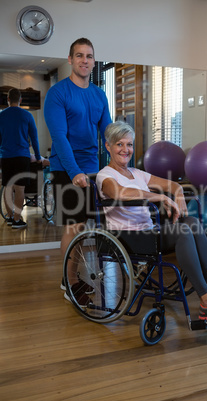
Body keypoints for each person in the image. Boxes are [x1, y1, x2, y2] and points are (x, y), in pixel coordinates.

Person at [96, 121, 207, 321]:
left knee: (190, 222)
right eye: (119, 144)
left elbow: (172, 185)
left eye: (129, 144)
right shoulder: (105, 175)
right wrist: (160, 197)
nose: (125, 149)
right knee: (182, 231)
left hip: (148, 232)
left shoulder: (137, 173)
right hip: (128, 237)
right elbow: (120, 192)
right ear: (108, 146)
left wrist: (178, 194)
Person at [44, 37, 112, 300]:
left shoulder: (98, 94)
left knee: (83, 229)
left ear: (94, 62)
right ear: (70, 59)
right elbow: (59, 138)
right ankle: (69, 282)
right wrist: (74, 173)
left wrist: (117, 166)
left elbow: (107, 134)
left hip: (92, 169)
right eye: (80, 55)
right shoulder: (58, 93)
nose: (85, 60)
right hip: (66, 169)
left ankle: (72, 276)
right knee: (73, 226)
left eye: (89, 56)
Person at [0, 88, 42, 229]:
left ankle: (11, 217)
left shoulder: (1, 115)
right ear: (20, 100)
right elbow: (34, 139)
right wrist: (37, 156)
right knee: (19, 189)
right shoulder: (27, 115)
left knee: (7, 187)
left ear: (8, 99)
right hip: (22, 157)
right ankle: (17, 220)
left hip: (5, 157)